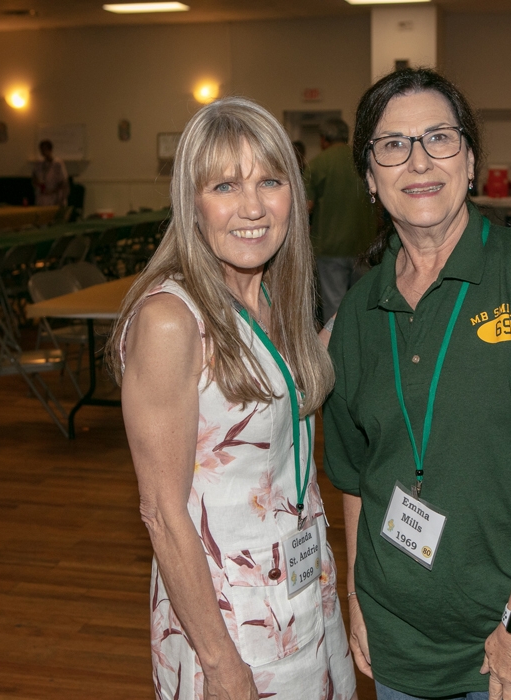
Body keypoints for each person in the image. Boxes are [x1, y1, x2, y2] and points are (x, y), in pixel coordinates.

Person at [323, 67, 511, 700]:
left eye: (439, 137)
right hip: (401, 638)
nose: (419, 161)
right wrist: (357, 597)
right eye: (393, 144)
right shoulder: (358, 312)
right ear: (370, 177)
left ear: (469, 162)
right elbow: (355, 479)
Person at [108, 96, 356, 700]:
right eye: (225, 185)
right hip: (226, 617)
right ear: (191, 203)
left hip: (303, 583)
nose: (252, 207)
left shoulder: (272, 296)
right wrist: (220, 663)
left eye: (270, 181)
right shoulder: (172, 320)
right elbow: (161, 513)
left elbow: (285, 387)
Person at [305, 117, 379, 321]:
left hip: (330, 247)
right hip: (364, 245)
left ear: (323, 139)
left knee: (334, 306)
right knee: (364, 303)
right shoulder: (363, 162)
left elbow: (306, 205)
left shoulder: (318, 163)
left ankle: (337, 343)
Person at [32, 139, 69, 207]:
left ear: (50, 149)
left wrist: (52, 191)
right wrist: (38, 183)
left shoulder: (58, 164)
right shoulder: (39, 164)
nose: (43, 152)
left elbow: (63, 182)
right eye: (41, 150)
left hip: (55, 197)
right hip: (42, 198)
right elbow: (34, 177)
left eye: (45, 149)